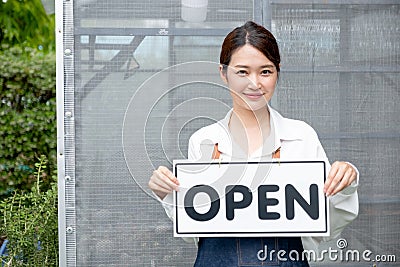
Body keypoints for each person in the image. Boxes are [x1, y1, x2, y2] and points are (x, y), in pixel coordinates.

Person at [148, 21, 359, 267]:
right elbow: (196, 233)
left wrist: (346, 183)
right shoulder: (203, 141)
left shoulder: (301, 136)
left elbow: (325, 229)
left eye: (265, 71)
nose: (254, 83)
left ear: (277, 72)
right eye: (242, 72)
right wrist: (168, 195)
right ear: (223, 73)